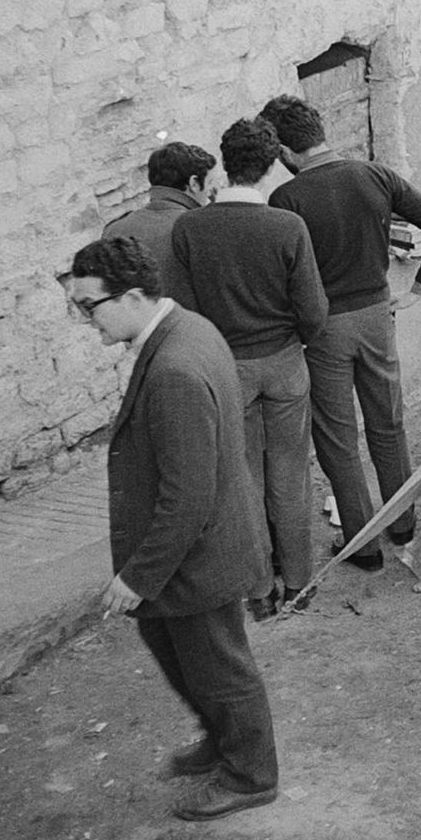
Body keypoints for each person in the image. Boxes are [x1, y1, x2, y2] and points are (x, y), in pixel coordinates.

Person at [61, 236, 279, 821]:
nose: (84, 321)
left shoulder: (176, 368)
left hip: (199, 557)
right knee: (173, 649)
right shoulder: (186, 328)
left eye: (88, 306)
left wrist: (138, 576)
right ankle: (221, 739)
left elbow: (187, 496)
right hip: (202, 549)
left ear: (131, 296)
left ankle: (251, 775)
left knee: (220, 670)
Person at [260, 95, 421, 573]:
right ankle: (403, 524)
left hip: (325, 327)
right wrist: (419, 289)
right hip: (376, 316)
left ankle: (364, 548)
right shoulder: (376, 175)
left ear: (287, 152)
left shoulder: (286, 200)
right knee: (388, 424)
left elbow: (289, 278)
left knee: (337, 437)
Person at [166, 118, 329, 618]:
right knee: (290, 477)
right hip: (282, 364)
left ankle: (259, 589)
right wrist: (293, 340)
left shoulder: (189, 228)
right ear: (269, 166)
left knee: (242, 482)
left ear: (225, 162)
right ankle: (299, 582)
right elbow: (314, 311)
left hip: (226, 369)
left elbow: (183, 309)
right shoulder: (287, 226)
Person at [103, 142, 218, 284]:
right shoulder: (199, 229)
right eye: (210, 182)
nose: (213, 190)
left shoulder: (114, 229)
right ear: (194, 183)